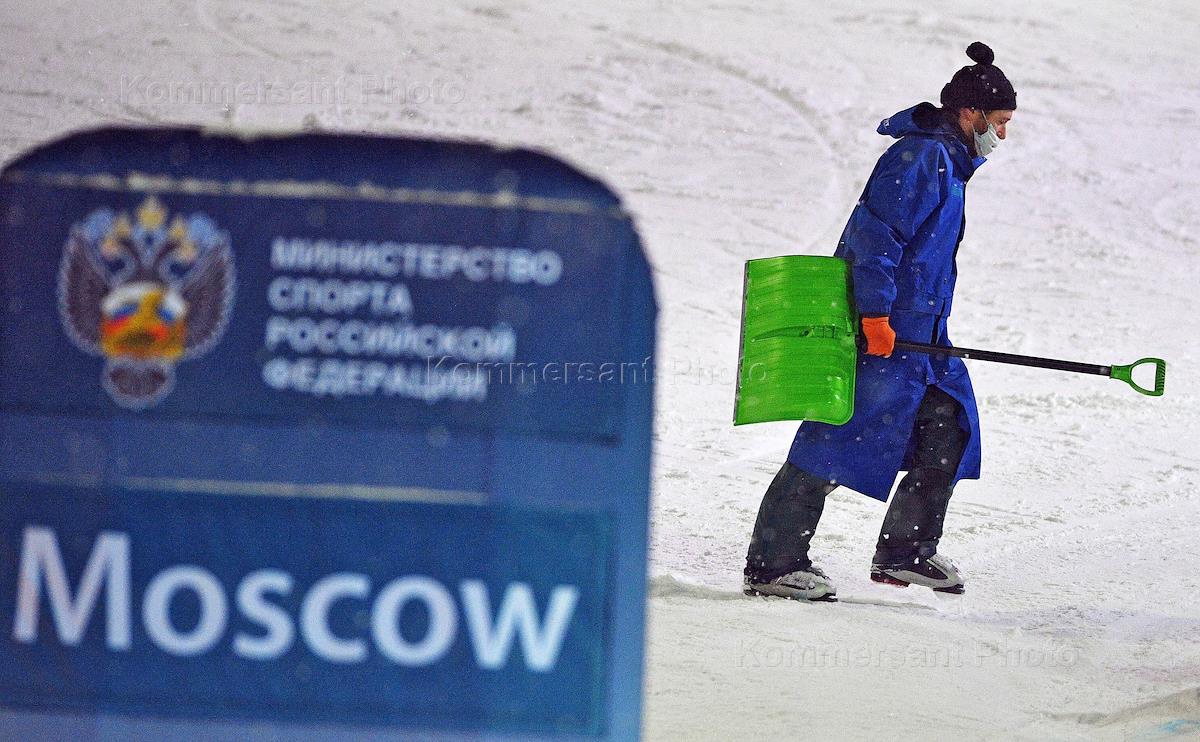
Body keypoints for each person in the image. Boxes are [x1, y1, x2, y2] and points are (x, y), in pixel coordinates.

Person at [743, 42, 1017, 601]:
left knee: (949, 426)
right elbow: (875, 239)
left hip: (923, 334)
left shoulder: (949, 164)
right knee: (835, 437)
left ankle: (905, 552)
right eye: (1000, 122)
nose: (1003, 135)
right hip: (886, 330)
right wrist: (873, 315)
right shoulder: (920, 159)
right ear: (971, 112)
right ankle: (773, 564)